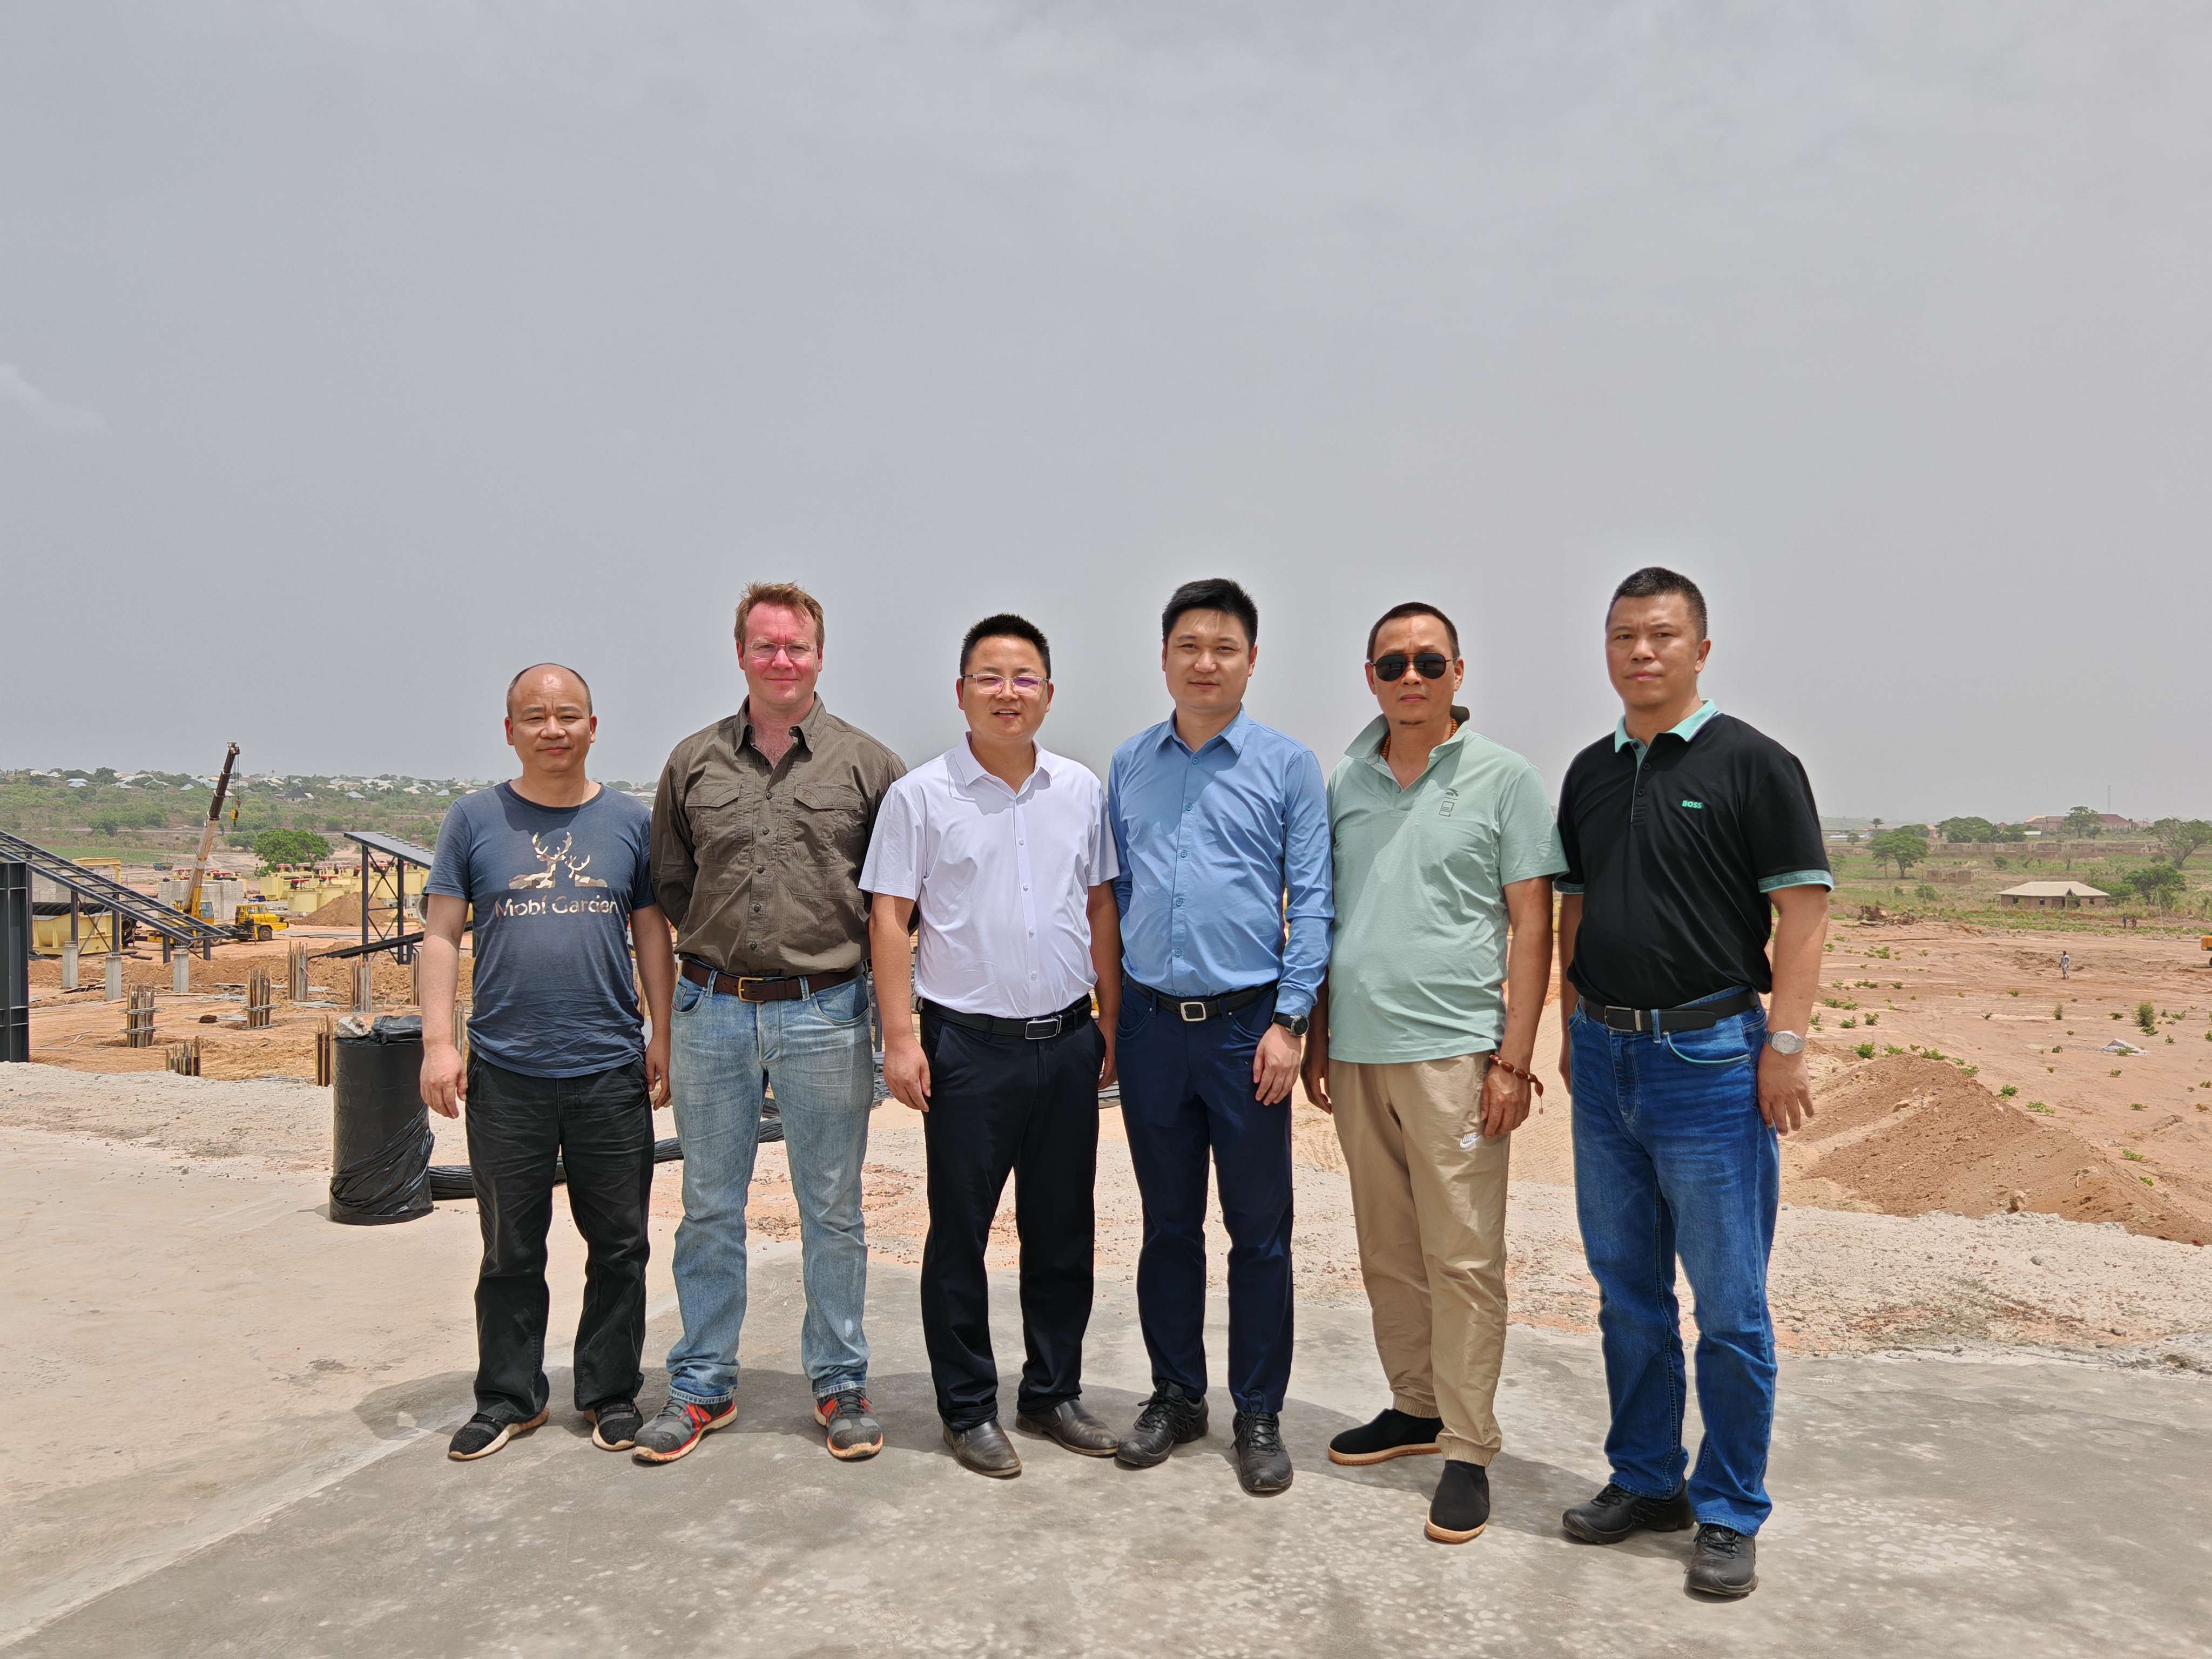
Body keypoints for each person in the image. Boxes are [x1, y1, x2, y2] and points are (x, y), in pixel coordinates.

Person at [1554, 568, 1830, 1599]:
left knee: (1729, 1306)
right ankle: (1646, 1480)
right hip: (1606, 1058)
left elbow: (1803, 914)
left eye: (1662, 635)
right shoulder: (1589, 772)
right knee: (1627, 1295)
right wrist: (1572, 1026)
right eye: (1624, 635)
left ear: (1701, 650)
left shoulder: (1755, 763)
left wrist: (1784, 1046)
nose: (1642, 652)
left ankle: (1728, 1509)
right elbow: (1576, 907)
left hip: (1712, 1060)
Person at [1300, 602, 1562, 1543]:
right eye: (1392, 663)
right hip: (1358, 1053)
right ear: (1370, 676)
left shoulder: (1504, 778)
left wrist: (1514, 1061)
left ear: (1458, 672)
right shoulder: (1346, 780)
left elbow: (1532, 923)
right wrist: (1320, 1035)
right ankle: (1414, 1406)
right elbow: (1327, 914)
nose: (1410, 677)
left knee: (1463, 1258)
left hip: (1455, 1054)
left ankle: (1468, 1447)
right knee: (1388, 1252)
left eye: (1427, 661)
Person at [637, 583, 905, 1466]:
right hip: (711, 1009)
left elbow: (896, 903)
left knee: (832, 1208)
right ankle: (701, 1384)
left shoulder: (870, 768)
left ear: (820, 656)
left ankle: (840, 1382)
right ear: (741, 654)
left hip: (827, 1012)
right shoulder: (694, 763)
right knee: (709, 1205)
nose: (781, 660)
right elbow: (673, 886)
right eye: (765, 646)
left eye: (796, 646)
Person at [864, 614, 1123, 1478]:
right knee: (960, 1236)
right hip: (966, 1051)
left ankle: (1052, 1392)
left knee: (1063, 1229)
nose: (1007, 693)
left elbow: (1099, 907)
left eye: (1023, 678)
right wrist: (901, 1039)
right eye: (990, 677)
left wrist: (1110, 1021)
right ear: (961, 691)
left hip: (1068, 1041)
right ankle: (968, 1408)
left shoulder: (1080, 790)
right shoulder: (921, 796)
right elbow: (890, 918)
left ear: (1048, 693)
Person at [1105, 577, 1332, 1495]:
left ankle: (1258, 1412)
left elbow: (1312, 901)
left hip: (1248, 1032)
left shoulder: (1287, 766)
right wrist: (1115, 1018)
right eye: (1189, 647)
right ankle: (1176, 1395)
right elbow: (1118, 892)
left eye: (1224, 648)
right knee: (1168, 1225)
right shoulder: (1130, 763)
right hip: (1153, 1027)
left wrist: (1291, 1022)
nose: (1206, 663)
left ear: (1251, 660)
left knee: (1258, 1231)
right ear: (1163, 657)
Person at [420, 663, 675, 1463]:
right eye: (535, 716)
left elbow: (652, 933)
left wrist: (662, 1034)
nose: (553, 729)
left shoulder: (629, 822)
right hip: (507, 1070)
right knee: (510, 1247)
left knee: (621, 1245)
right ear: (510, 731)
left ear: (593, 727)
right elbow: (440, 935)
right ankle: (509, 1397)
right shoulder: (473, 819)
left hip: (609, 1067)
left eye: (569, 715)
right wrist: (438, 1044)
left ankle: (609, 1392)